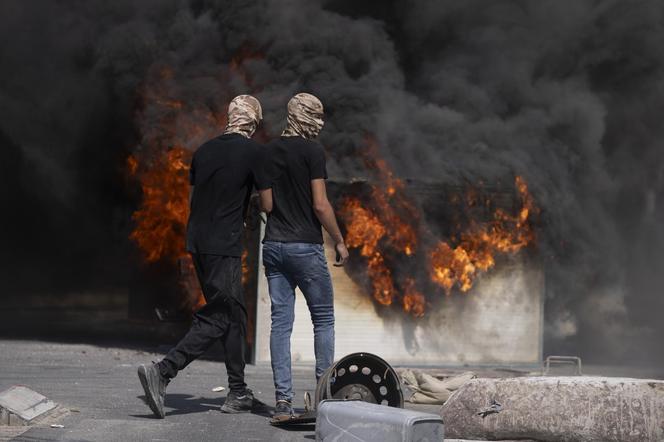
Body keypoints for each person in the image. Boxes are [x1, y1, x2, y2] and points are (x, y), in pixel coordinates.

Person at [137, 95, 265, 418]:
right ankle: (163, 371)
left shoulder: (204, 151)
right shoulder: (253, 152)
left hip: (199, 241)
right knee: (223, 315)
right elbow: (267, 202)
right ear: (251, 122)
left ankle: (237, 391)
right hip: (224, 245)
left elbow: (196, 199)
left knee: (233, 315)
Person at [258, 93, 349, 420]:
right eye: (316, 115)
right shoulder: (312, 152)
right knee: (323, 319)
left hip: (274, 247)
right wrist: (339, 240)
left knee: (281, 324)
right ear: (306, 117)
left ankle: (283, 403)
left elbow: (266, 205)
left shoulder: (266, 152)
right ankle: (324, 400)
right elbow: (320, 205)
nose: (320, 122)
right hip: (305, 247)